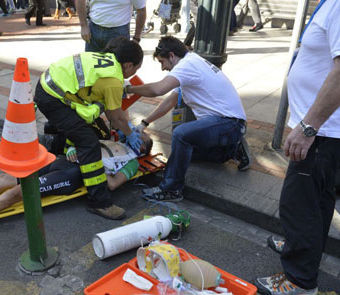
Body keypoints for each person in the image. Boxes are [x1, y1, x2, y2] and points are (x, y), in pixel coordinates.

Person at [255, 0, 340, 294]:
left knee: (299, 204)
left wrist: (309, 126)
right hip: (322, 129)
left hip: (322, 131)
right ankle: (299, 246)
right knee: (316, 202)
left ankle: (299, 281)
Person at [0, 133, 153, 229]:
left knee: (16, 194)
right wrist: (71, 149)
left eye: (140, 139)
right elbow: (79, 141)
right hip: (63, 161)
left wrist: (94, 165)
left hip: (73, 175)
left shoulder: (131, 162)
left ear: (142, 149)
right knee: (5, 178)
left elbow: (111, 184)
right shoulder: (112, 139)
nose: (134, 135)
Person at [125, 36, 250, 202]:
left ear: (171, 55)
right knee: (185, 154)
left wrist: (128, 88)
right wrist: (144, 124)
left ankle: (171, 189)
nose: (163, 68)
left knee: (181, 134)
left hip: (228, 123)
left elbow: (158, 89)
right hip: (229, 124)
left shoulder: (186, 65)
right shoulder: (191, 62)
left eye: (162, 62)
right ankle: (232, 149)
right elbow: (169, 101)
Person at [34, 37, 144, 220]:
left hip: (49, 85)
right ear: (128, 65)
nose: (133, 74)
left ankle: (50, 142)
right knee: (89, 144)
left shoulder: (103, 60)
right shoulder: (114, 79)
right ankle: (99, 202)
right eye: (136, 69)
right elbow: (116, 117)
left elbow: (111, 114)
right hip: (54, 97)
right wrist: (131, 134)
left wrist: (125, 128)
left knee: (81, 130)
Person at [75, 0, 146, 52]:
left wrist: (137, 38)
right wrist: (83, 25)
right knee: (91, 66)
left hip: (119, 33)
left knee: (116, 69)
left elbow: (141, 10)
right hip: (93, 30)